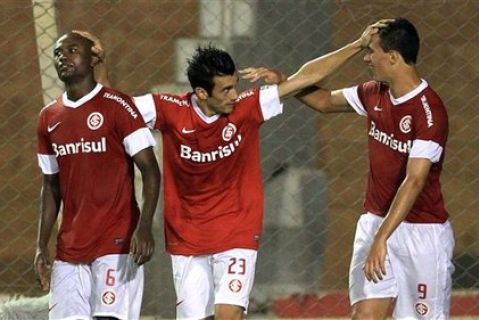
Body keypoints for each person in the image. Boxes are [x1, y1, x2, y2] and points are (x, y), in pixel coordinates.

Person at [75, 21, 385, 320]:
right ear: (201, 93)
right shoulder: (167, 109)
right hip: (187, 236)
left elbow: (305, 78)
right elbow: (114, 111)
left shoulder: (248, 106)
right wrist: (100, 68)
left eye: (235, 86)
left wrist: (357, 45)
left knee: (228, 313)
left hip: (236, 231)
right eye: (225, 90)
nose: (234, 95)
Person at [245, 18, 454, 320]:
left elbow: (414, 181)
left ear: (393, 57)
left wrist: (382, 238)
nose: (367, 58)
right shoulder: (373, 93)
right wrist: (285, 81)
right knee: (363, 316)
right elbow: (325, 101)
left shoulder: (429, 112)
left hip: (422, 234)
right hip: (375, 221)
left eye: (371, 51)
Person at [34, 32, 161, 320]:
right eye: (58, 52)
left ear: (93, 59)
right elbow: (50, 186)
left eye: (73, 50)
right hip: (70, 247)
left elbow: (151, 171)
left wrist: (144, 228)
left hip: (115, 241)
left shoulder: (118, 106)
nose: (63, 57)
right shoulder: (48, 117)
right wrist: (41, 245)